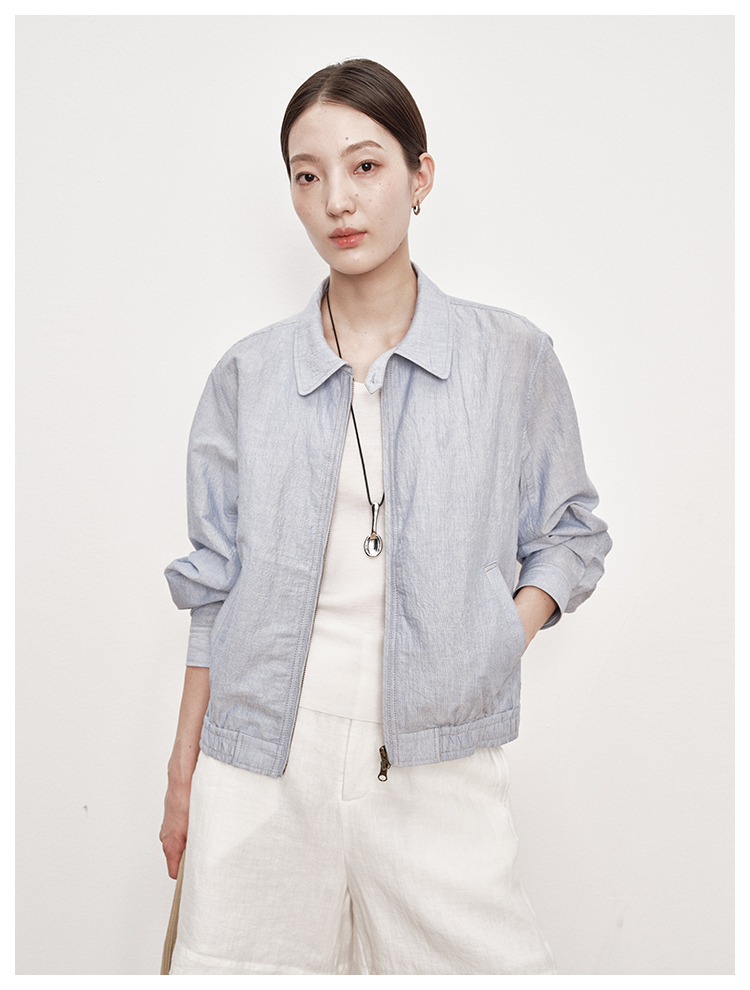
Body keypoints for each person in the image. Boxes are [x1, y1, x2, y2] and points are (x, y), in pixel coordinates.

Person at [159, 58, 612, 976]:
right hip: (259, 764)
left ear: (420, 175)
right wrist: (184, 771)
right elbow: (213, 588)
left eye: (365, 165)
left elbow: (572, 533)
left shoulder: (509, 358)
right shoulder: (248, 376)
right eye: (308, 175)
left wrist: (500, 632)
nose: (337, 200)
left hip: (437, 758)